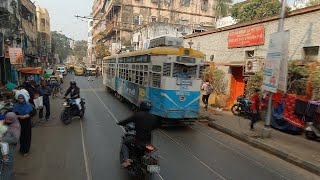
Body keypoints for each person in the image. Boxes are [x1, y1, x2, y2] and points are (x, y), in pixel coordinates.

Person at [117, 101, 161, 168]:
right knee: (151, 149)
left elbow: (126, 121)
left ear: (141, 107)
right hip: (148, 144)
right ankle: (151, 158)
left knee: (125, 144)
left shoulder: (137, 115)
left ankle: (126, 160)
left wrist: (120, 123)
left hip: (137, 142)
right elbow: (156, 126)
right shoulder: (153, 117)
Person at [0, 112, 21, 180]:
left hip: (10, 150)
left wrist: (2, 139)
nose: (7, 121)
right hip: (2, 149)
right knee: (3, 165)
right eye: (6, 119)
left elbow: (15, 139)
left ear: (14, 119)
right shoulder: (3, 124)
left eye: (10, 120)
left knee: (7, 165)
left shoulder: (16, 127)